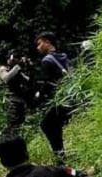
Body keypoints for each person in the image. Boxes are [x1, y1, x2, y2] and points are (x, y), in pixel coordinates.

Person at [34, 31, 72, 159]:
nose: (37, 48)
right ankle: (60, 154)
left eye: (39, 44)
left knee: (46, 125)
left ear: (47, 42)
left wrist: (39, 95)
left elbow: (46, 84)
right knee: (55, 126)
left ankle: (60, 155)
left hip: (57, 100)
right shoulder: (63, 57)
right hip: (68, 97)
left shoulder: (47, 61)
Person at [0, 51, 32, 134]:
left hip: (20, 99)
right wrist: (17, 67)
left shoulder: (17, 70)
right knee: (13, 122)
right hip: (10, 100)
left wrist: (28, 67)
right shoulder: (3, 69)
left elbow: (27, 80)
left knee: (21, 122)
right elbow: (6, 78)